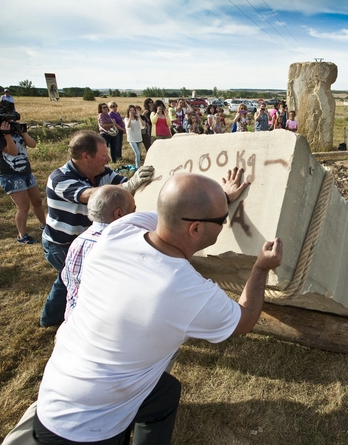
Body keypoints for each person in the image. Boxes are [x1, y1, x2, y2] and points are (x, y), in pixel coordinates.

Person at [33, 169, 283, 444]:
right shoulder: (185, 290)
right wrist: (260, 267)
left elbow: (173, 212)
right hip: (88, 430)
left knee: (165, 393)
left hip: (55, 390)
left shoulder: (121, 229)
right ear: (196, 228)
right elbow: (245, 320)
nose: (225, 223)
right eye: (222, 220)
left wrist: (219, 198)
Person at [40, 130, 155, 328]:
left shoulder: (101, 173)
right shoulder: (59, 178)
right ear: (86, 156)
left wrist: (139, 181)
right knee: (72, 280)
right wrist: (130, 184)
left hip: (88, 240)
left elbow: (123, 185)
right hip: (61, 244)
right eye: (103, 155)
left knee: (70, 279)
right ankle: (54, 320)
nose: (108, 158)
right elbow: (94, 196)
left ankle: (53, 318)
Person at [62, 185, 136, 321]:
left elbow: (68, 281)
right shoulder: (120, 247)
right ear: (119, 214)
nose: (136, 214)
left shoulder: (78, 242)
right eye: (134, 210)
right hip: (103, 328)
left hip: (75, 321)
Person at [0, 94, 46, 244]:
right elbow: (13, 152)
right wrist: (7, 136)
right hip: (9, 174)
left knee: (37, 201)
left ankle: (44, 225)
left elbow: (32, 144)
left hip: (25, 171)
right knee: (23, 206)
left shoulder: (16, 129)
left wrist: (22, 130)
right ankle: (22, 236)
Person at [124, 104, 145, 169]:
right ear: (128, 111)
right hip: (132, 138)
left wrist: (139, 117)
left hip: (138, 138)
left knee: (139, 154)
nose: (132, 112)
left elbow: (143, 126)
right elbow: (128, 126)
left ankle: (138, 165)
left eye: (133, 110)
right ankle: (137, 167)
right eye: (131, 110)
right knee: (137, 153)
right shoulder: (126, 119)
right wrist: (130, 117)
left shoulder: (137, 119)